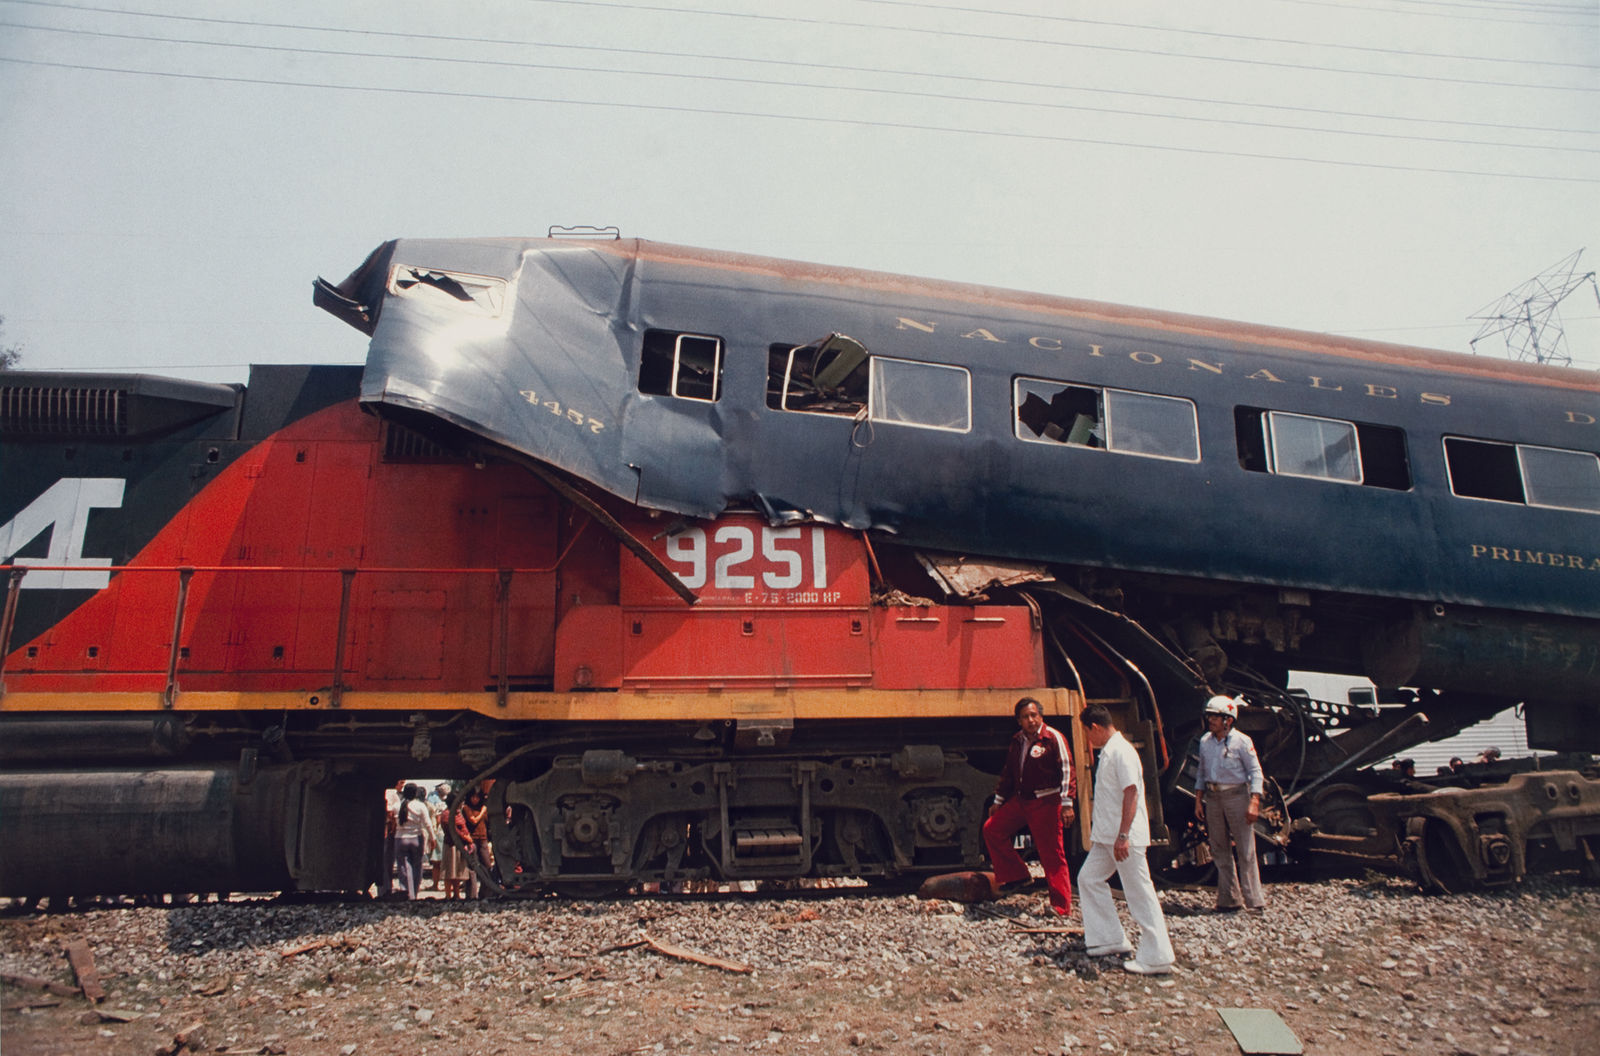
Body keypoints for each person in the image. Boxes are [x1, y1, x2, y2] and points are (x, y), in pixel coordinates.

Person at [1077, 703, 1175, 975]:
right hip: (1107, 838)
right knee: (1089, 879)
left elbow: (1131, 794)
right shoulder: (1110, 751)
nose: (1088, 739)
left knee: (1139, 893)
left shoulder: (1122, 752)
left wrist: (1123, 835)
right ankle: (1108, 938)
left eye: (1087, 732)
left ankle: (1157, 956)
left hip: (1123, 838)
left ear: (1094, 727)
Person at [982, 696, 1077, 916]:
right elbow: (1009, 773)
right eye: (1025, 717)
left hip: (1047, 801)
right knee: (992, 829)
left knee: (1052, 853)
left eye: (1034, 715)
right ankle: (1017, 875)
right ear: (1019, 721)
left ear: (1041, 716)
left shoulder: (1053, 738)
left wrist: (1066, 802)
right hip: (1022, 800)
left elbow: (1067, 769)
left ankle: (1061, 906)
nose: (1031, 720)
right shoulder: (1017, 741)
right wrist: (998, 801)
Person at [1194, 695, 1266, 913]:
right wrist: (1199, 800)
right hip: (1213, 798)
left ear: (1228, 720)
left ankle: (1254, 901)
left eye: (1215, 716)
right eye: (1210, 716)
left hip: (1237, 796)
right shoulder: (1205, 742)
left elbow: (1255, 772)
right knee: (1219, 848)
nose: (1211, 720)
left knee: (1245, 850)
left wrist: (1254, 801)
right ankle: (1229, 900)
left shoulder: (1242, 742)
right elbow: (1201, 773)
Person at [392, 783, 433, 900]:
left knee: (404, 867)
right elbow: (428, 823)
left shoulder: (397, 805)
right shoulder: (420, 806)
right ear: (416, 793)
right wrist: (432, 838)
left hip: (400, 838)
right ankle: (414, 892)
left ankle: (406, 892)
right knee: (417, 866)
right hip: (416, 838)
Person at [454, 786, 493, 898]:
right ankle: (471, 894)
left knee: (487, 866)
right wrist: (483, 811)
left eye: (477, 797)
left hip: (483, 838)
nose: (475, 799)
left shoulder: (482, 808)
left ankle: (485, 893)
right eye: (473, 797)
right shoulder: (467, 808)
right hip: (473, 839)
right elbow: (473, 820)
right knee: (472, 867)